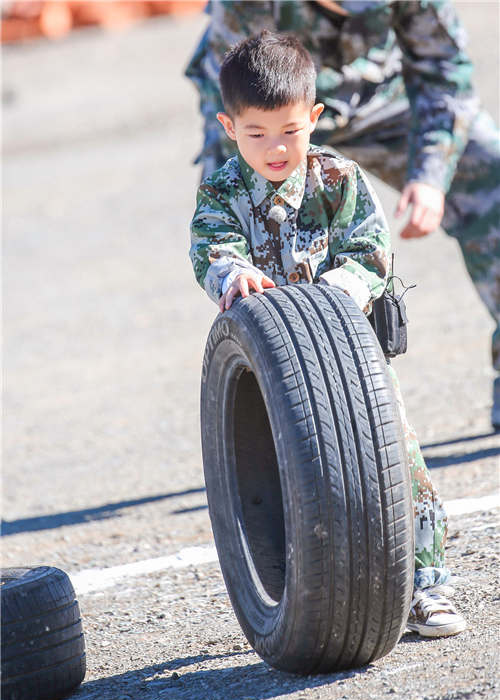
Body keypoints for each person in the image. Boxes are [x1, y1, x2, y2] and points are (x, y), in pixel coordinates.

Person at [189, 30, 467, 637]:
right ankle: (308, 592)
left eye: (290, 130)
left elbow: (373, 250)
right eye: (257, 133)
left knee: (398, 457)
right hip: (271, 372)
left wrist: (344, 287)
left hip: (350, 358)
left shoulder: (338, 180)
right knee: (293, 476)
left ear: (313, 117)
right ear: (229, 128)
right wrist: (233, 275)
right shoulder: (222, 190)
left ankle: (427, 585)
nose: (276, 148)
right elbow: (212, 246)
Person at [186, 0, 500, 429]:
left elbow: (444, 73)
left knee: (494, 178)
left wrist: (430, 175)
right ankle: (281, 420)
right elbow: (236, 97)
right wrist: (235, 254)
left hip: (383, 101)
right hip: (273, 122)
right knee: (251, 256)